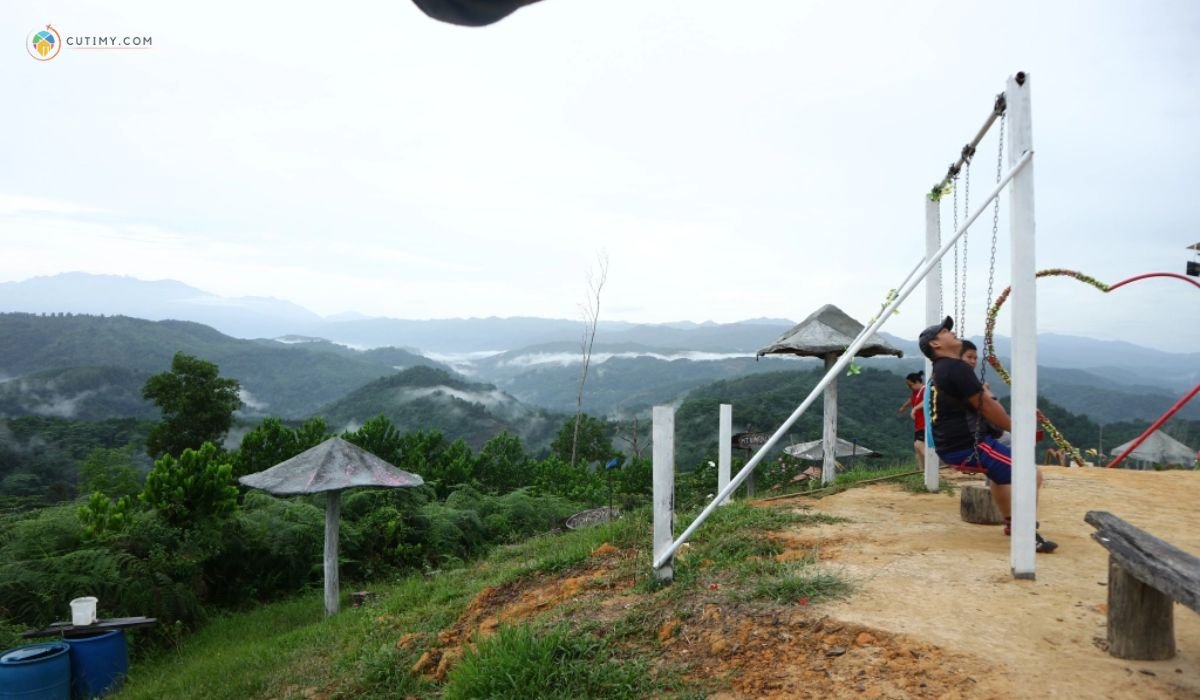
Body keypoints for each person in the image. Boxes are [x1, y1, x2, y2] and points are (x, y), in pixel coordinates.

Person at [919, 316, 1057, 553]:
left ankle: (1013, 525)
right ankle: (1026, 534)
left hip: (951, 447)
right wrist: (1019, 429)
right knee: (1029, 473)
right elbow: (986, 406)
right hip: (967, 446)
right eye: (945, 331)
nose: (952, 332)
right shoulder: (955, 368)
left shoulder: (941, 370)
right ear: (935, 344)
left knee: (1000, 476)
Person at [959, 340, 1010, 446]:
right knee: (1011, 441)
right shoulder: (964, 381)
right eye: (969, 357)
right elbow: (990, 407)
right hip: (973, 438)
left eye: (975, 358)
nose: (973, 361)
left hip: (967, 435)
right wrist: (987, 392)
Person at [897, 371, 927, 467]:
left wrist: (915, 408)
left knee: (919, 445)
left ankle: (933, 465)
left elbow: (926, 401)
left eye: (911, 385)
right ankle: (921, 472)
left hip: (925, 424)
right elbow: (911, 400)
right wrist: (904, 407)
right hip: (919, 425)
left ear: (918, 382)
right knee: (917, 449)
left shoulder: (926, 390)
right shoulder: (916, 392)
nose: (909, 387)